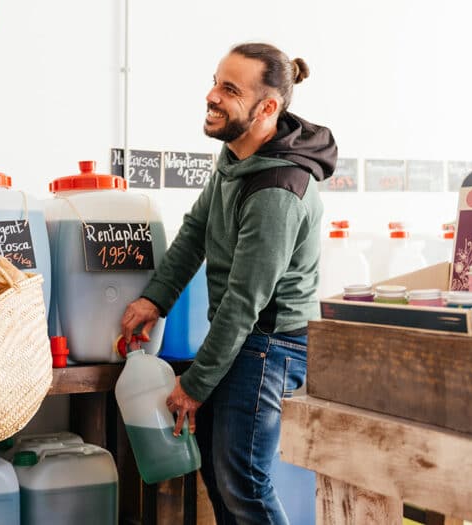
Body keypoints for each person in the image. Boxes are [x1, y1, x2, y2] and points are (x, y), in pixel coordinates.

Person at [120, 42, 337, 525]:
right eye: (215, 81)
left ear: (267, 108)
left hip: (271, 345)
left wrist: (195, 385)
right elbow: (196, 228)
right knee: (221, 480)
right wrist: (156, 298)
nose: (212, 95)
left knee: (243, 484)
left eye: (229, 89)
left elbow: (244, 301)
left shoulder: (279, 188)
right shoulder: (237, 157)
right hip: (243, 339)